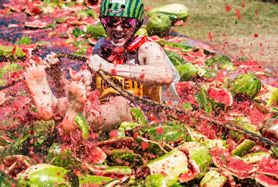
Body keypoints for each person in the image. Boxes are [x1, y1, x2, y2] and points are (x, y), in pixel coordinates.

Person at [24, 0, 179, 136]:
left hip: (142, 117)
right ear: (104, 23)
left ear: (137, 24)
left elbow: (165, 75)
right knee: (83, 103)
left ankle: (80, 121)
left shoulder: (147, 48)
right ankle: (53, 105)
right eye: (111, 21)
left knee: (119, 103)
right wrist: (57, 76)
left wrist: (110, 68)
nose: (118, 29)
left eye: (127, 23)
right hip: (106, 114)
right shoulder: (102, 49)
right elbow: (80, 97)